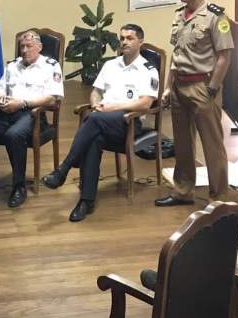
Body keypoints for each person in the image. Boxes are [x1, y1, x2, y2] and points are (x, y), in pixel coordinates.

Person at [41, 24, 159, 221]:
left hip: (129, 122)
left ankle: (64, 169)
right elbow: (96, 92)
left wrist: (110, 108)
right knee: (93, 136)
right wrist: (95, 104)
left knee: (93, 121)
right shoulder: (111, 65)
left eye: (129, 38)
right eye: (122, 38)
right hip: (102, 119)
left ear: (140, 42)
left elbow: (145, 104)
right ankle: (86, 201)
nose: (124, 42)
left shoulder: (148, 70)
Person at [156, 0, 234, 207]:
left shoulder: (216, 16)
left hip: (203, 86)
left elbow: (225, 56)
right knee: (183, 144)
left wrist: (212, 88)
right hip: (180, 85)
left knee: (212, 146)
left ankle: (218, 199)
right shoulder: (179, 14)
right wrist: (169, 87)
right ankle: (182, 191)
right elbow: (177, 54)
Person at [0, 29, 64, 208]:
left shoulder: (51, 66)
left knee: (13, 135)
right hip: (6, 112)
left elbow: (52, 98)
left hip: (33, 114)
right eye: (22, 46)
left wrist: (22, 103)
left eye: (29, 46)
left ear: (39, 47)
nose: (24, 50)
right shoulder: (13, 65)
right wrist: (2, 99)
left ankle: (19, 186)